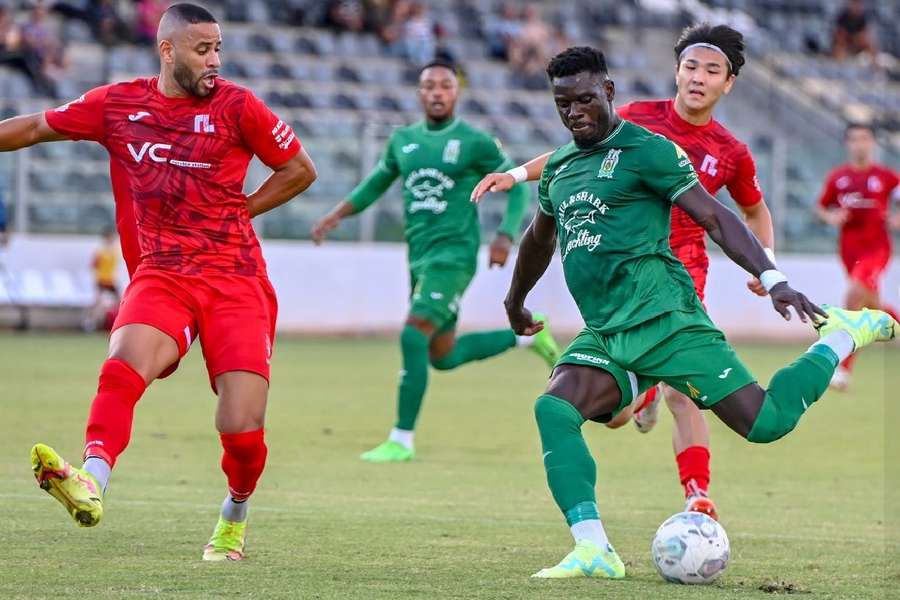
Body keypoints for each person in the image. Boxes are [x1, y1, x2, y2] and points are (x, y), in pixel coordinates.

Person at [472, 46, 895, 580]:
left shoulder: (649, 150)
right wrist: (514, 301)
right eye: (563, 103)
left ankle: (841, 336)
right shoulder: (559, 167)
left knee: (765, 423)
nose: (574, 111)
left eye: (584, 99)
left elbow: (717, 217)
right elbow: (539, 237)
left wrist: (773, 277)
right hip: (608, 331)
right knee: (555, 410)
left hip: (669, 321)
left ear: (608, 93)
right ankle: (593, 549)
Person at [0, 3, 317, 561]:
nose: (214, 60)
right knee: (122, 365)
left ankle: (233, 515)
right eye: (203, 49)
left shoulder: (239, 106)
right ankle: (91, 479)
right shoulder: (118, 104)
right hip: (163, 271)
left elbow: (299, 170)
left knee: (241, 429)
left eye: (219, 48)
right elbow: (32, 127)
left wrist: (241, 211)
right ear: (167, 50)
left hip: (236, 279)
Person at [473, 23, 775, 522]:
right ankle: (645, 390)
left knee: (686, 393)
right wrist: (517, 173)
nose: (698, 77)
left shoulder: (731, 151)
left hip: (679, 270)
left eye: (712, 70)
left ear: (729, 83)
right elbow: (574, 152)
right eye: (691, 66)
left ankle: (696, 494)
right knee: (612, 419)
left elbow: (751, 210)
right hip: (620, 273)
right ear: (677, 71)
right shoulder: (637, 119)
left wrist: (767, 263)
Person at [312, 60, 560, 463]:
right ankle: (529, 336)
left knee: (413, 334)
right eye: (429, 86)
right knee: (440, 355)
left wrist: (504, 235)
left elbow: (515, 187)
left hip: (454, 255)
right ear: (419, 92)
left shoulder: (475, 142)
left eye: (445, 85)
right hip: (420, 257)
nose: (437, 92)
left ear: (456, 92)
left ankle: (401, 440)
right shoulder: (403, 141)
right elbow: (377, 182)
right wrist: (336, 215)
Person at [816, 123, 899, 391]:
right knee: (871, 308)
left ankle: (843, 368)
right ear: (847, 144)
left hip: (876, 249)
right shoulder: (838, 177)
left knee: (853, 299)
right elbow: (821, 207)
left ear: (872, 142)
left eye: (864, 139)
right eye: (854, 139)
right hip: (849, 250)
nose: (859, 144)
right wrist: (832, 217)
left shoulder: (886, 177)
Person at [83, 226, 121, 332]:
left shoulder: (114, 250)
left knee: (121, 301)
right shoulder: (101, 251)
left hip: (111, 280)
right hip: (102, 280)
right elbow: (93, 265)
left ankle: (117, 322)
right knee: (98, 303)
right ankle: (89, 323)